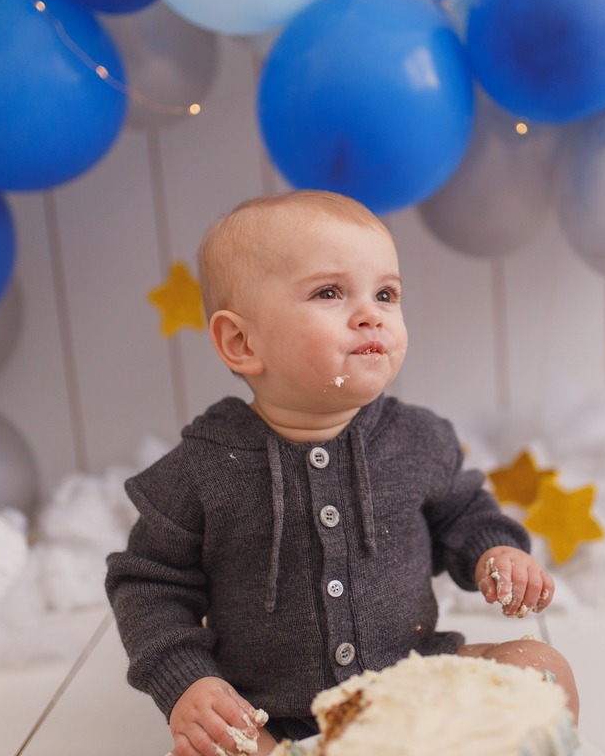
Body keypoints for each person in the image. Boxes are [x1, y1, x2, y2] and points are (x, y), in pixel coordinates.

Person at [106, 190, 577, 756]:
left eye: (386, 293)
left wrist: (494, 553)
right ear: (241, 341)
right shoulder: (204, 470)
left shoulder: (417, 439)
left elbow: (464, 514)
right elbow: (148, 584)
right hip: (269, 711)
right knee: (210, 750)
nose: (369, 312)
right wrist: (187, 682)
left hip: (416, 681)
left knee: (540, 665)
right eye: (329, 292)